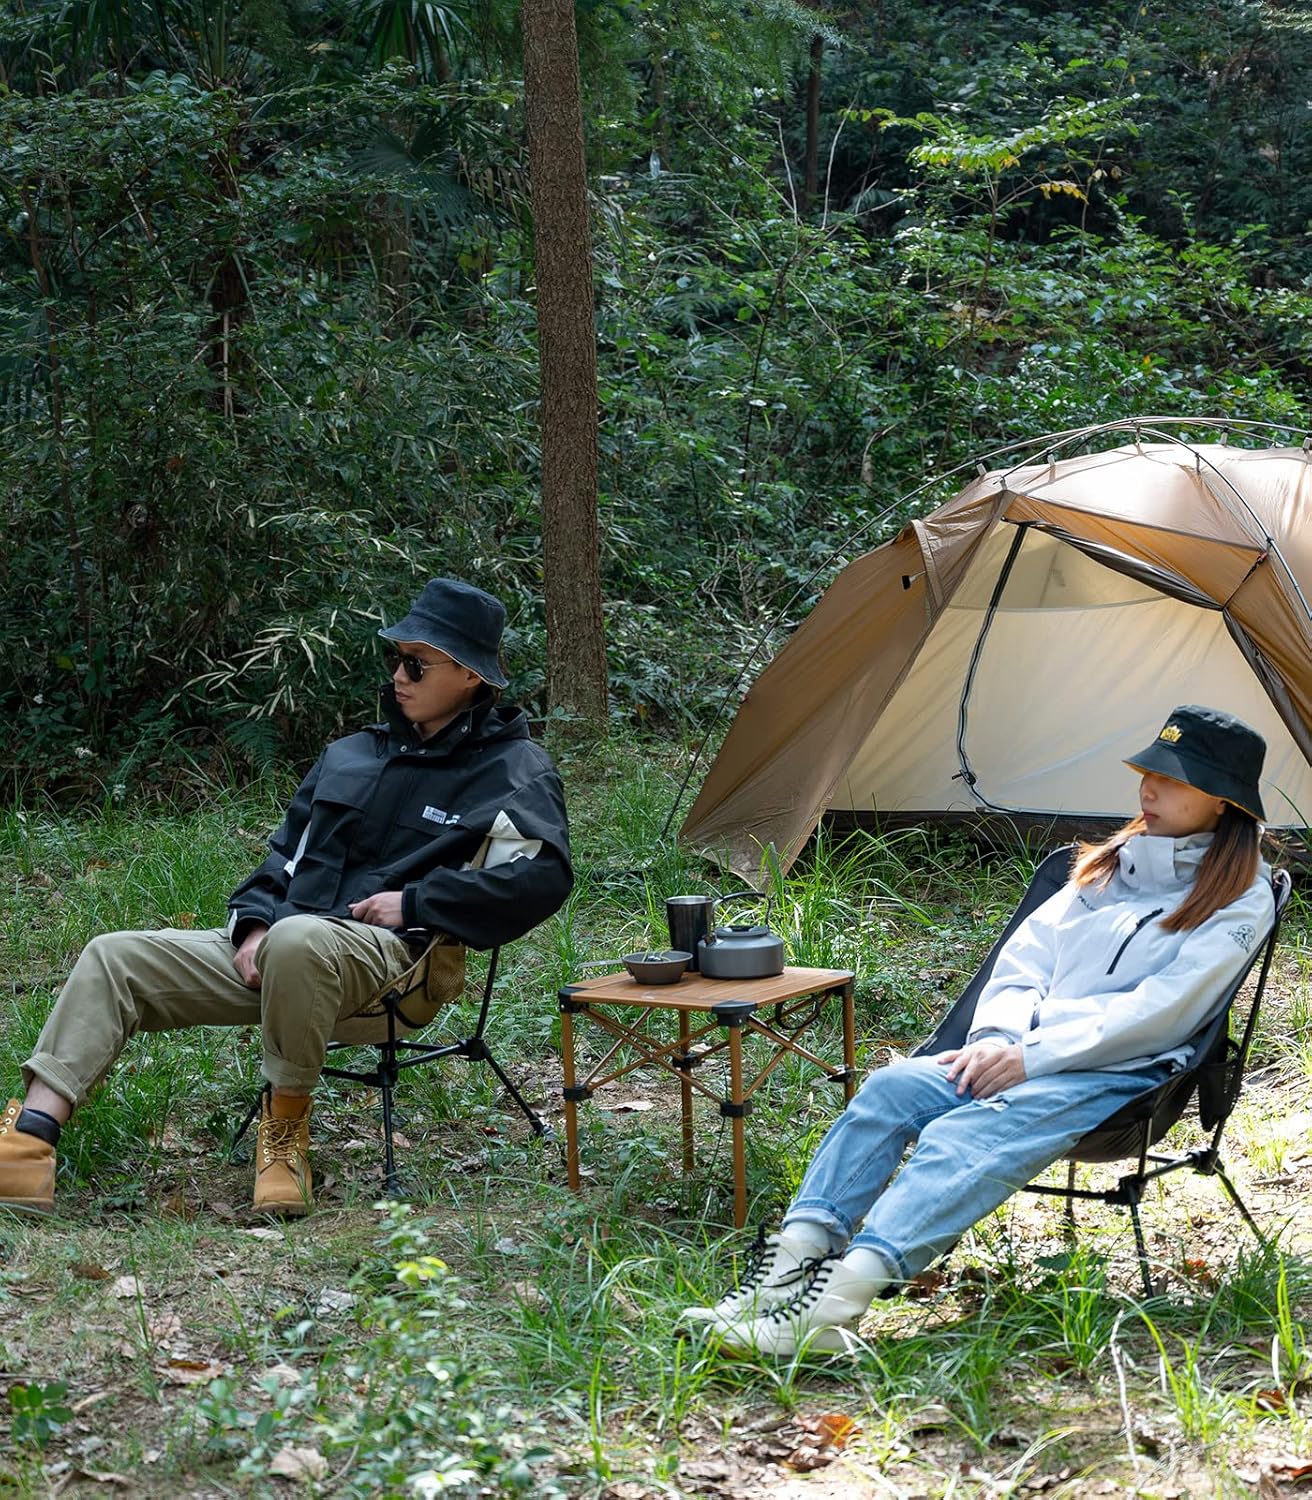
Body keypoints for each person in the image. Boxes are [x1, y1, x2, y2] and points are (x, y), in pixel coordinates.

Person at [684, 704, 1275, 1355]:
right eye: (1148, 771)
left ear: (1223, 803)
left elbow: (1164, 1011)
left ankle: (829, 1312)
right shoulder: (1111, 865)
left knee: (961, 1133)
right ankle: (784, 1279)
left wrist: (1036, 1058)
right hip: (1025, 1052)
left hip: (1121, 1077)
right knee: (890, 1090)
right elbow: (1026, 960)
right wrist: (999, 1037)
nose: (1149, 788)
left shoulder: (1239, 896)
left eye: (1175, 780)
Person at [0, 578, 573, 1216]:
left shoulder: (512, 770)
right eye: (396, 659)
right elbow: (284, 858)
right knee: (115, 957)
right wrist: (250, 928)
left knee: (301, 940)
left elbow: (537, 878)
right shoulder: (350, 754)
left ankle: (283, 1139)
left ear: (469, 676)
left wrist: (417, 904)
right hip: (282, 945)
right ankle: (28, 1144)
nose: (398, 676)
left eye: (417, 662)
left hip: (391, 966)